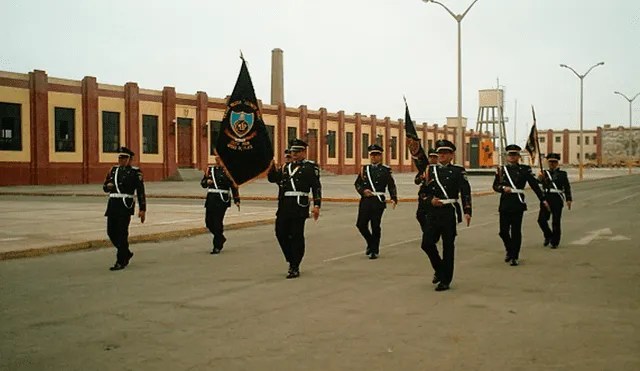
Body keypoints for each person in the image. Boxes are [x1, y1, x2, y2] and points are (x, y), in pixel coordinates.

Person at [420, 140, 472, 291]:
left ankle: (446, 280)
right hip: (433, 212)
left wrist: (468, 210)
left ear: (451, 155)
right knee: (427, 243)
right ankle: (439, 269)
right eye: (440, 152)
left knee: (448, 247)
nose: (442, 155)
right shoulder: (430, 171)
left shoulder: (458, 171)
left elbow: (465, 192)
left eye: (445, 153)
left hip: (449, 211)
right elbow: (422, 192)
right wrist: (430, 200)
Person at [267, 139, 322, 279]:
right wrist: (270, 166)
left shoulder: (310, 167)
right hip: (285, 205)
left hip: (299, 205)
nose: (295, 154)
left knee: (296, 235)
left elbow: (316, 187)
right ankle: (291, 258)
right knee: (280, 233)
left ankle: (295, 265)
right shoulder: (286, 167)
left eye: (297, 152)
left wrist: (317, 205)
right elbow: (273, 178)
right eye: (293, 152)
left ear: (304, 152)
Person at [492, 144, 549, 266]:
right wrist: (502, 188)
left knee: (516, 231)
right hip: (505, 203)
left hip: (518, 204)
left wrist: (542, 199)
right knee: (503, 232)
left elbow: (534, 185)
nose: (512, 157)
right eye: (510, 154)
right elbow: (495, 186)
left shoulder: (524, 169)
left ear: (518, 156)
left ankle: (514, 256)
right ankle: (509, 249)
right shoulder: (502, 170)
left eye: (515, 154)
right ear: (507, 156)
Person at [102, 146, 146, 271]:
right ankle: (126, 252)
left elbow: (140, 191)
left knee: (122, 233)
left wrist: (142, 209)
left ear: (130, 159)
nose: (121, 160)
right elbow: (105, 187)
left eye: (124, 158)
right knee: (111, 232)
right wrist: (108, 186)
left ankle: (120, 260)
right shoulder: (113, 171)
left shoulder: (135, 173)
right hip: (113, 204)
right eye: (120, 157)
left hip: (125, 204)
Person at [354, 143, 398, 259]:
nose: (374, 157)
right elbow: (357, 183)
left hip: (378, 201)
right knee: (361, 224)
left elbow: (391, 185)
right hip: (366, 200)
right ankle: (370, 242)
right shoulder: (365, 169)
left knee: (375, 225)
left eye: (376, 155)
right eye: (372, 155)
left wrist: (393, 198)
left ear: (380, 156)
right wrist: (363, 191)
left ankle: (374, 250)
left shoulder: (385, 170)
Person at [201, 156, 240, 254]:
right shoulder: (210, 170)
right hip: (211, 199)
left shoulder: (229, 172)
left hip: (222, 199)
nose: (218, 161)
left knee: (217, 222)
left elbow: (234, 186)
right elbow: (203, 183)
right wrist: (207, 182)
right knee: (208, 222)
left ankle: (217, 246)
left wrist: (236, 199)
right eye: (217, 160)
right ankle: (221, 237)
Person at [537, 153, 572, 249]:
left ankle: (555, 241)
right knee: (541, 220)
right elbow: (537, 183)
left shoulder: (562, 174)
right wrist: (539, 178)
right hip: (546, 198)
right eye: (550, 162)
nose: (552, 164)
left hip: (557, 198)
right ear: (548, 162)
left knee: (556, 221)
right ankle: (548, 235)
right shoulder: (544, 173)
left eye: (554, 162)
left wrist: (568, 199)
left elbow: (567, 187)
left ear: (557, 163)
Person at [415, 148, 440, 233]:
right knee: (420, 215)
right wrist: (420, 178)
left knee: (432, 216)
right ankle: (426, 230)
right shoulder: (424, 169)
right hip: (423, 195)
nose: (432, 159)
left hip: (434, 195)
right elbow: (416, 181)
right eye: (431, 157)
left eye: (435, 157)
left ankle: (431, 232)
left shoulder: (440, 169)